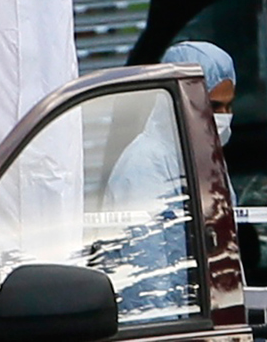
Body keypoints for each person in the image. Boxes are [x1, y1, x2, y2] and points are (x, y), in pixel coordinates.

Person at [94, 41, 239, 319]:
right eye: (215, 105)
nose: (223, 118)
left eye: (229, 106)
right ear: (182, 98)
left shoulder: (205, 160)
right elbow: (146, 282)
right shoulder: (143, 167)